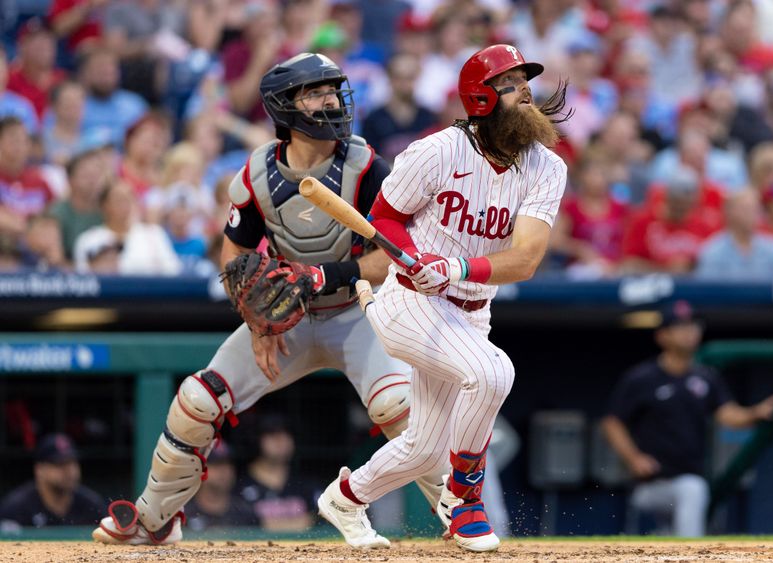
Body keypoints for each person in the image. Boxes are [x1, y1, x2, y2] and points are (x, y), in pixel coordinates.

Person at [91, 52, 443, 546]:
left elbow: (392, 257)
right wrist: (257, 319)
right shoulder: (257, 174)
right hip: (289, 321)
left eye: (332, 89)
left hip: (359, 310)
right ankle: (155, 520)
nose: (330, 100)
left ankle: (459, 516)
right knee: (197, 399)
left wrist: (324, 275)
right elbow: (233, 252)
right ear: (286, 106)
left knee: (401, 408)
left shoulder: (367, 167)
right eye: (316, 91)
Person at [317, 44, 569, 553]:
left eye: (526, 81)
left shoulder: (546, 167)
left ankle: (345, 497)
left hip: (473, 310)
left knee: (421, 449)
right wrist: (411, 256)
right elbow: (386, 220)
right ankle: (466, 499)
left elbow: (525, 259)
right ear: (480, 98)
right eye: (511, 83)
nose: (526, 91)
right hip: (409, 302)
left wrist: (453, 267)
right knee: (493, 372)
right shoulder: (437, 151)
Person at [601, 300, 773, 537]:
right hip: (651, 485)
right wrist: (634, 458)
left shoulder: (706, 377)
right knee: (692, 491)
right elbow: (612, 423)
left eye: (693, 326)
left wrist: (756, 412)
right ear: (662, 336)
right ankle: (690, 555)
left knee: (688, 496)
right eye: (680, 327)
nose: (690, 333)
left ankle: (670, 542)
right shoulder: (642, 378)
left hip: (690, 474)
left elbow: (729, 415)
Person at [0, 433, 105, 528]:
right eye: (59, 464)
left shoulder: (92, 505)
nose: (70, 471)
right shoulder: (16, 508)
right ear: (39, 470)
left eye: (72, 462)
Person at [236, 415, 316, 532]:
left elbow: (324, 519)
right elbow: (236, 524)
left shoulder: (306, 484)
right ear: (256, 439)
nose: (281, 441)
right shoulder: (239, 485)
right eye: (272, 434)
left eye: (286, 434)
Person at [183, 441, 258, 532]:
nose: (224, 471)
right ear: (199, 469)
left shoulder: (245, 512)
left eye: (228, 464)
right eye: (216, 464)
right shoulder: (183, 512)